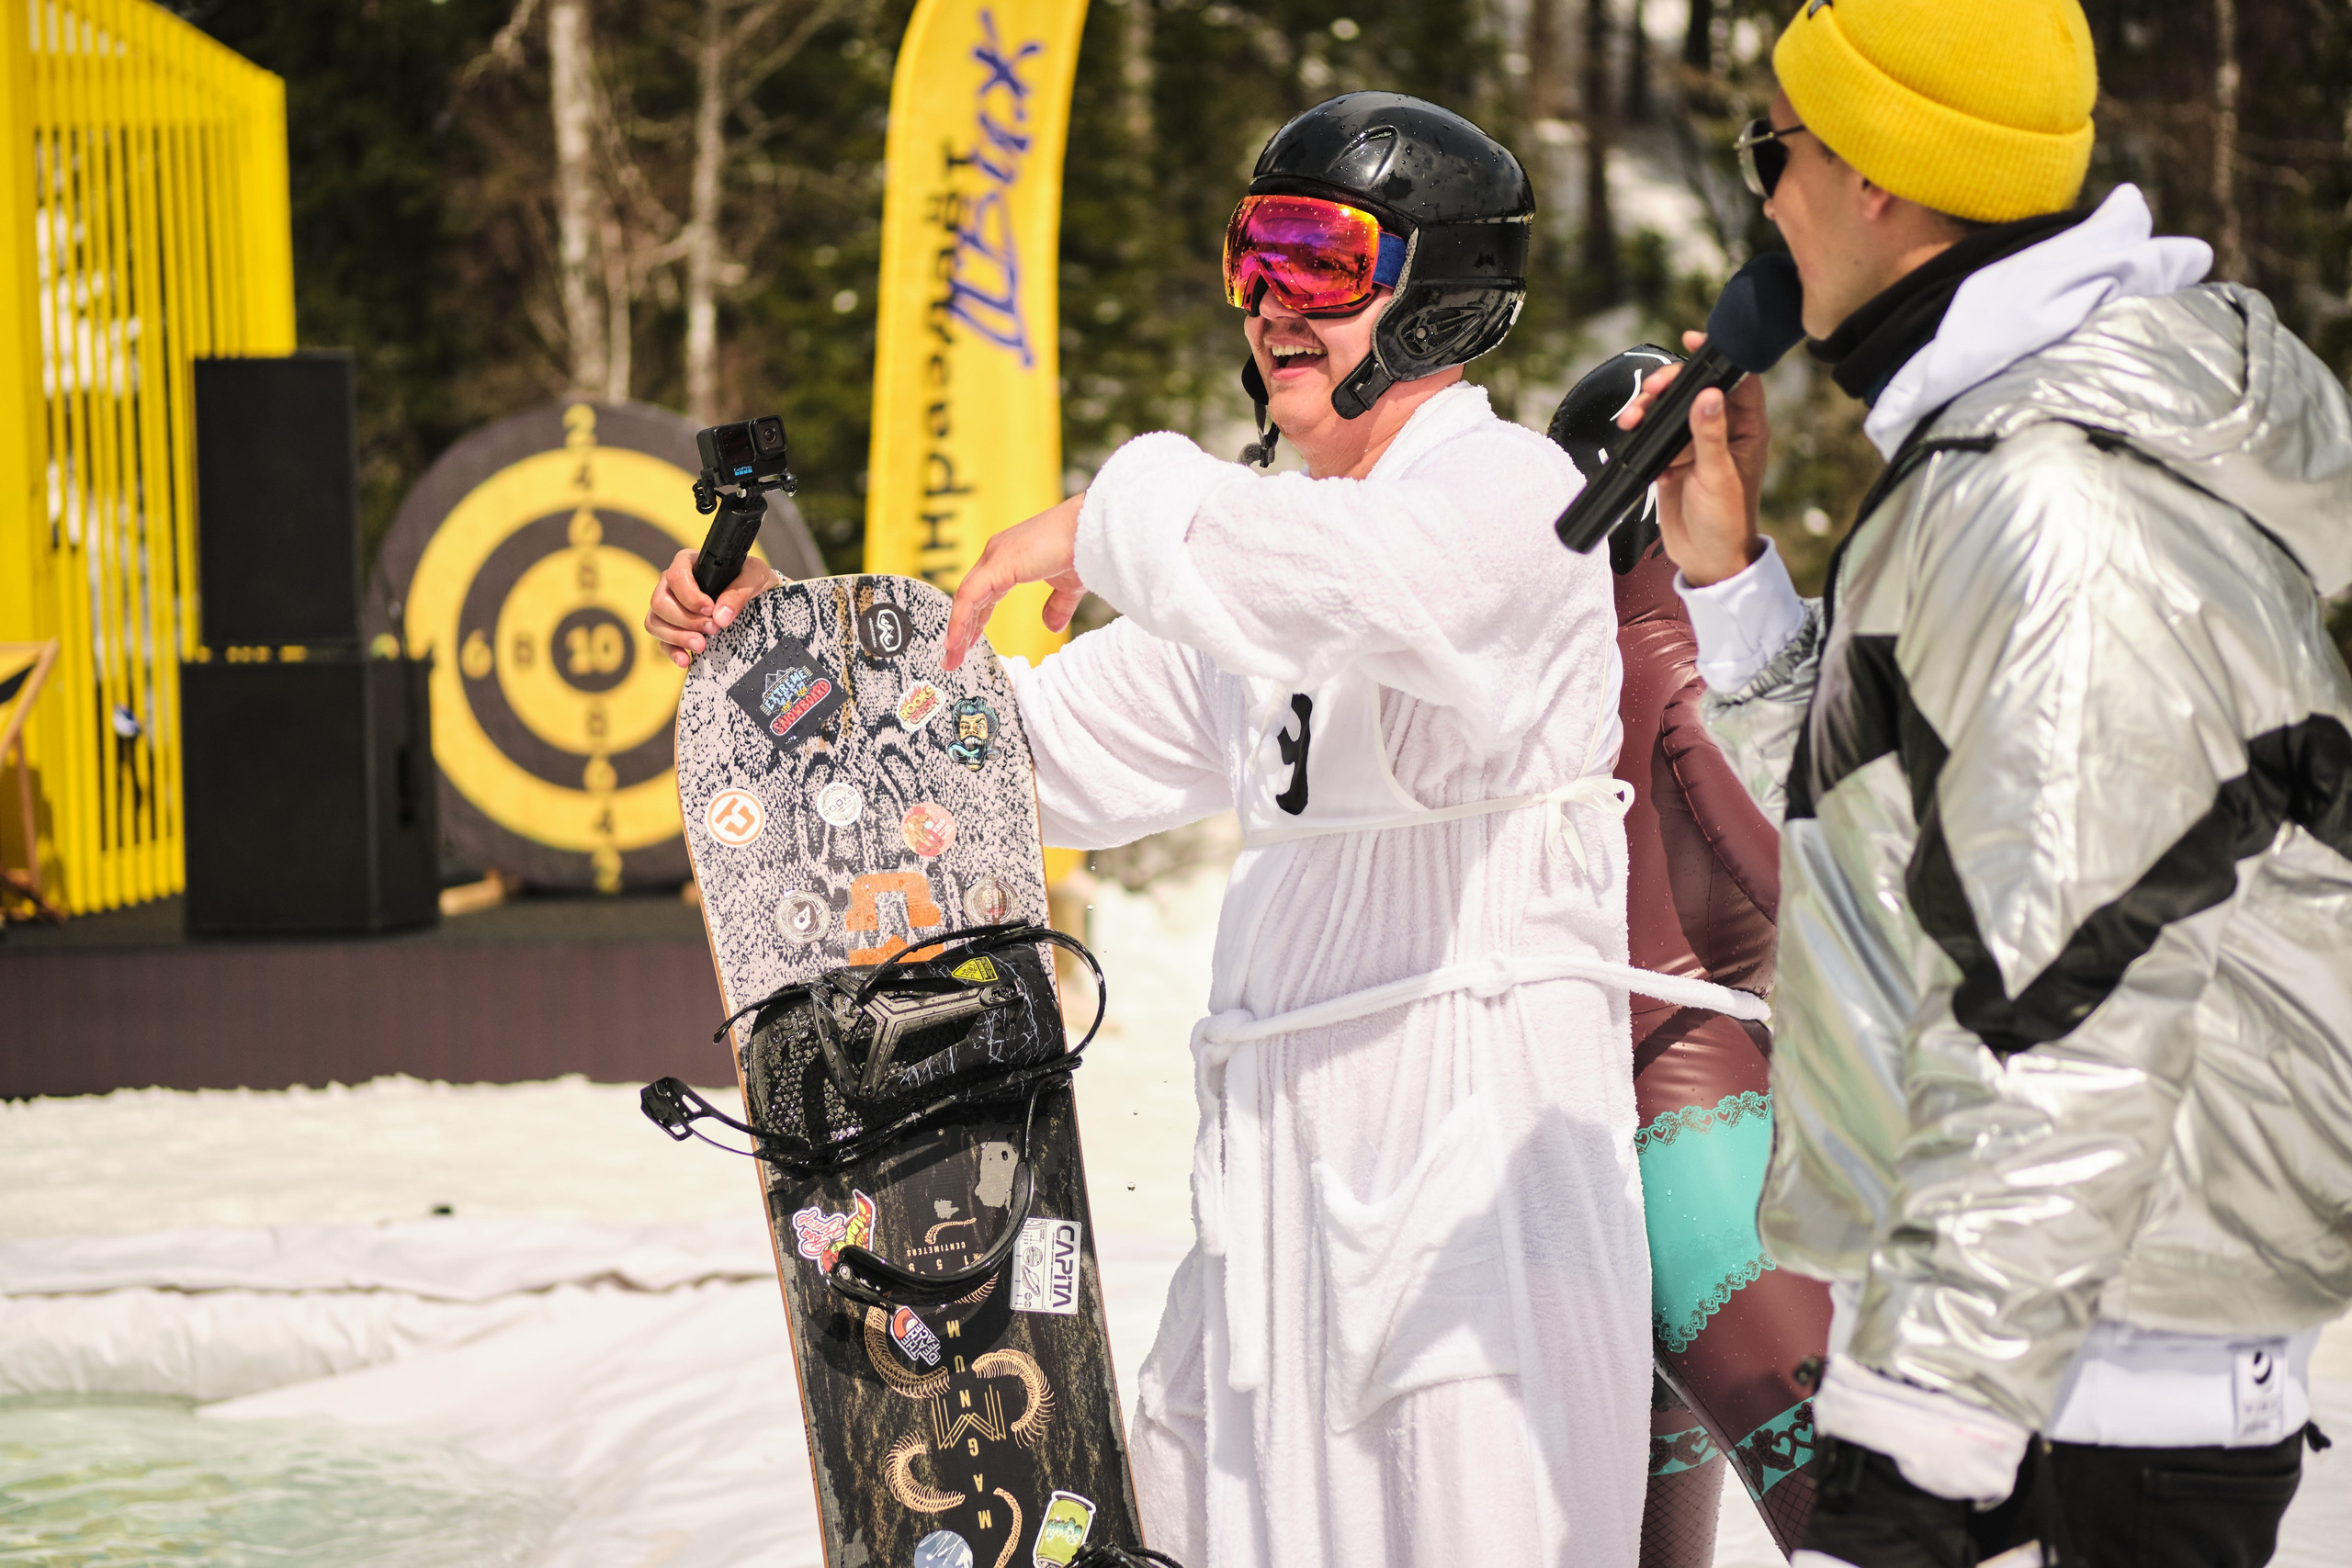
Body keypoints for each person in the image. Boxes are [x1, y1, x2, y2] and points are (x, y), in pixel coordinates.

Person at [650, 91, 1766, 1567]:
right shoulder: (1268, 570)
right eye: (1252, 256)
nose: (1270, 301)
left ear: (1438, 292)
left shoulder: (1511, 499)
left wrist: (1112, 515)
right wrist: (784, 671)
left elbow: (1377, 579)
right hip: (1273, 1219)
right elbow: (1017, 762)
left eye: (1321, 260)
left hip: (1471, 1219)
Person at [1616, 3, 2352, 1564]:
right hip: (2039, 1343)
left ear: (1875, 174)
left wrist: (1921, 1447)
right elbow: (1921, 860)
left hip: (2081, 1381)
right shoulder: (2023, 448)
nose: (1765, 202)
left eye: (1773, 152)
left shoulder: (2059, 505)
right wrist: (1733, 584)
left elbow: (2074, 1000)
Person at [1552, 347, 1835, 1566]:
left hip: (1572, 1152)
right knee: (1883, 1520)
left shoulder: (1546, 679)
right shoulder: (1687, 666)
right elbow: (1819, 887)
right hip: (1703, 1160)